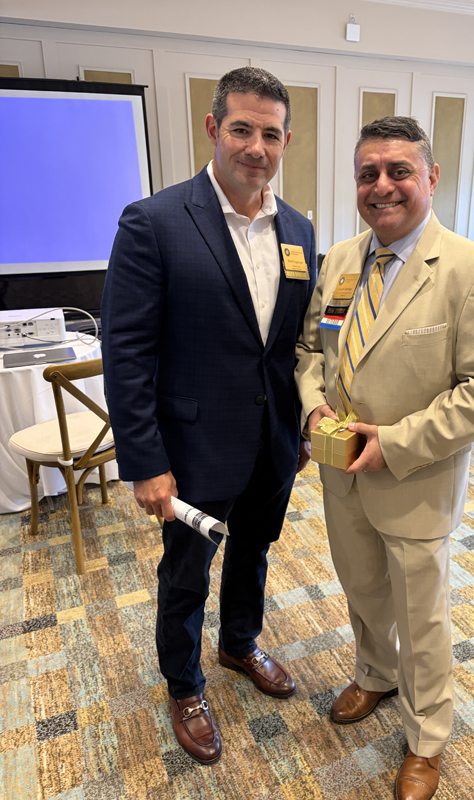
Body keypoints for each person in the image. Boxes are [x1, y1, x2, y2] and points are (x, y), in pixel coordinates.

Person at [295, 117, 474, 800]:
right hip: (340, 474)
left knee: (422, 619)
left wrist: (392, 443)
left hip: (416, 479)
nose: (382, 186)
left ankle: (426, 738)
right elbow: (311, 349)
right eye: (368, 173)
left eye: (399, 171)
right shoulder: (340, 260)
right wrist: (313, 407)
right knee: (362, 589)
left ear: (432, 178)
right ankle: (374, 674)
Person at [101, 67, 316, 765]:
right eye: (242, 129)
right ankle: (184, 685)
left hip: (272, 442)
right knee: (187, 571)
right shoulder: (154, 221)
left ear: (286, 141)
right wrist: (144, 461)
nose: (256, 147)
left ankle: (239, 644)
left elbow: (291, 344)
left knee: (254, 551)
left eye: (271, 134)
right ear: (213, 128)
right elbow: (126, 353)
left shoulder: (299, 229)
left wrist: (300, 427)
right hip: (192, 447)